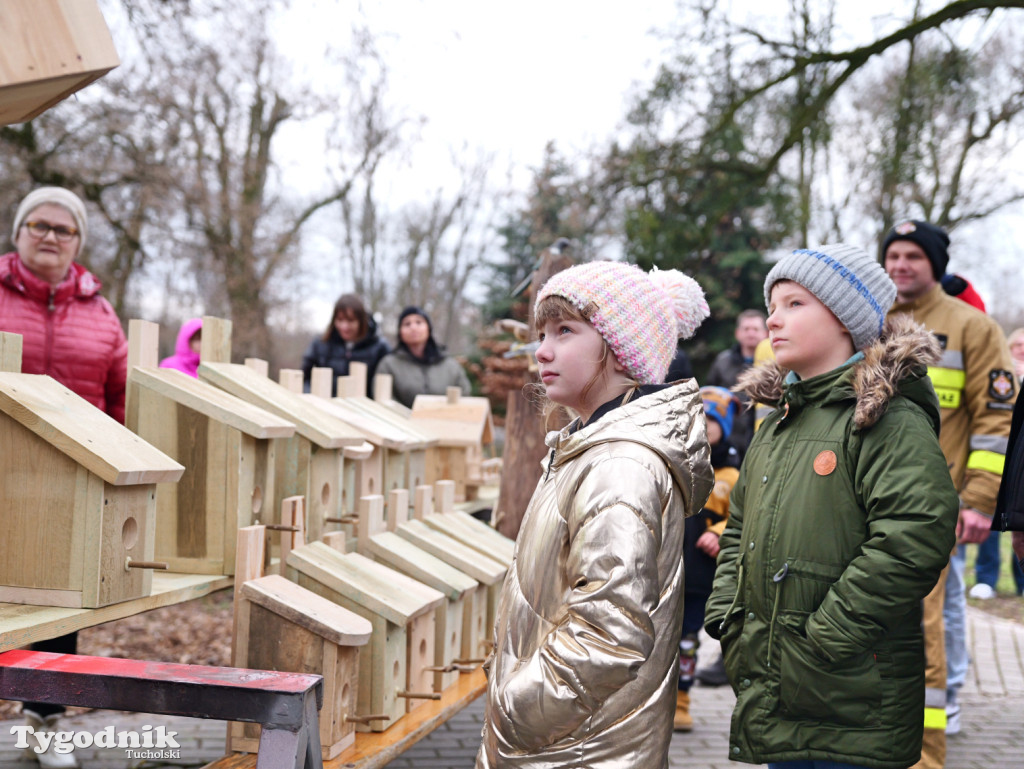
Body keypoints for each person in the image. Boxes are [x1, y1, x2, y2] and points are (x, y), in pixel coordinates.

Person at [705, 243, 959, 769]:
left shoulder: (886, 418)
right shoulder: (778, 420)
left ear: (846, 318)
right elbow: (740, 528)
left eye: (795, 304)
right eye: (772, 305)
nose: (774, 319)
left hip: (852, 692)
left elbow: (915, 534)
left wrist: (826, 637)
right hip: (783, 683)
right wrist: (726, 615)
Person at [476, 261, 714, 768]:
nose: (542, 349)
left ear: (619, 346)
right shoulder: (586, 450)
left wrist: (514, 709)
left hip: (572, 750)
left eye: (565, 331)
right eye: (542, 332)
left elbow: (611, 630)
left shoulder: (620, 465)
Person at [1, 186, 128, 769]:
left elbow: (121, 396)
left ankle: (45, 722)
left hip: (73, 483)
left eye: (63, 229)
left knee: (64, 607)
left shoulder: (99, 312)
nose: (50, 236)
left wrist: (119, 463)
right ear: (18, 232)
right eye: (39, 225)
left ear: (77, 242)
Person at [883, 220, 1016, 755]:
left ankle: (925, 751)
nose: (901, 264)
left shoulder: (973, 328)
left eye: (913, 254)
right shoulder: (869, 321)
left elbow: (996, 420)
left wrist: (981, 499)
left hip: (931, 507)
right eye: (892, 254)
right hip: (864, 501)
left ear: (936, 263)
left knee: (926, 626)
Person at [674, 385, 741, 731]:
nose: (702, 425)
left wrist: (719, 532)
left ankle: (681, 702)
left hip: (699, 578)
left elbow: (747, 517)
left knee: (687, 640)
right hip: (668, 571)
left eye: (710, 421)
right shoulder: (680, 464)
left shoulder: (730, 476)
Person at [375, 306, 471, 408]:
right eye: (407, 324)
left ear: (428, 328)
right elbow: (383, 400)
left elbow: (465, 396)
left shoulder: (450, 365)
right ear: (400, 332)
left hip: (445, 421)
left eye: (419, 322)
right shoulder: (388, 364)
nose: (413, 327)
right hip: (400, 422)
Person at [301, 293, 389, 396]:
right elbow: (304, 378)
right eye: (340, 320)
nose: (344, 326)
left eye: (350, 321)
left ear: (361, 321)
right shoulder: (321, 344)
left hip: (362, 409)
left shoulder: (379, 348)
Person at [706, 309, 767, 455]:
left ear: (765, 333)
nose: (750, 333)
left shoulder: (772, 365)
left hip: (759, 437)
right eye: (746, 329)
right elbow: (708, 397)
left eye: (755, 329)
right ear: (737, 333)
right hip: (727, 438)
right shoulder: (723, 362)